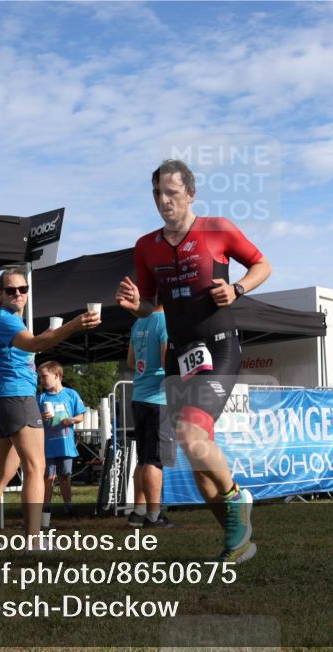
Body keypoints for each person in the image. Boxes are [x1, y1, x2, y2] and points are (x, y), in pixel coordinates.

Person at [115, 159, 271, 563]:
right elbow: (151, 307)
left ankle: (238, 498)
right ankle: (237, 543)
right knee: (200, 469)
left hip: (219, 345)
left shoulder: (217, 229)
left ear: (190, 194)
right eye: (157, 194)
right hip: (179, 355)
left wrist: (237, 289)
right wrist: (137, 306)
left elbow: (262, 264)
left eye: (171, 193)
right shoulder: (145, 246)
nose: (163, 201)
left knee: (190, 434)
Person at [0, 268, 99, 545]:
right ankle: (32, 540)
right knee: (36, 468)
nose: (18, 294)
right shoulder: (7, 320)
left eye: (22, 289)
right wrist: (74, 325)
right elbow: (36, 343)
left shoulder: (10, 322)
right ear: (0, 294)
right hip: (18, 398)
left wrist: (50, 334)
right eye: (11, 290)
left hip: (2, 399)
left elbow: (32, 345)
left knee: (3, 473)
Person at [127, 304, 174, 528]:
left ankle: (138, 511)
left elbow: (130, 361)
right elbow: (167, 363)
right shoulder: (165, 321)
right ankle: (154, 516)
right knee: (155, 460)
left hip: (139, 396)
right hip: (159, 399)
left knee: (144, 459)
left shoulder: (138, 322)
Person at [36, 361, 86, 528]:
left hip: (66, 445)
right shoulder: (41, 397)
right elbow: (35, 420)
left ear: (56, 375)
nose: (41, 380)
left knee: (65, 476)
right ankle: (46, 511)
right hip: (47, 446)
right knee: (48, 478)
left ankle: (69, 507)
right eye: (40, 377)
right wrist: (41, 418)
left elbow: (81, 415)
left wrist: (70, 420)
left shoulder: (71, 394)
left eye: (44, 376)